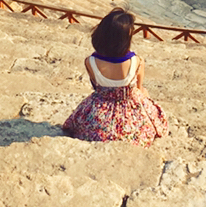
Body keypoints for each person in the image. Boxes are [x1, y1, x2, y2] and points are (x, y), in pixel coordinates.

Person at [62, 8, 168, 146]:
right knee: (145, 95)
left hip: (100, 111)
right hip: (129, 112)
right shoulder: (137, 61)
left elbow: (96, 86)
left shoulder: (90, 62)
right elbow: (139, 88)